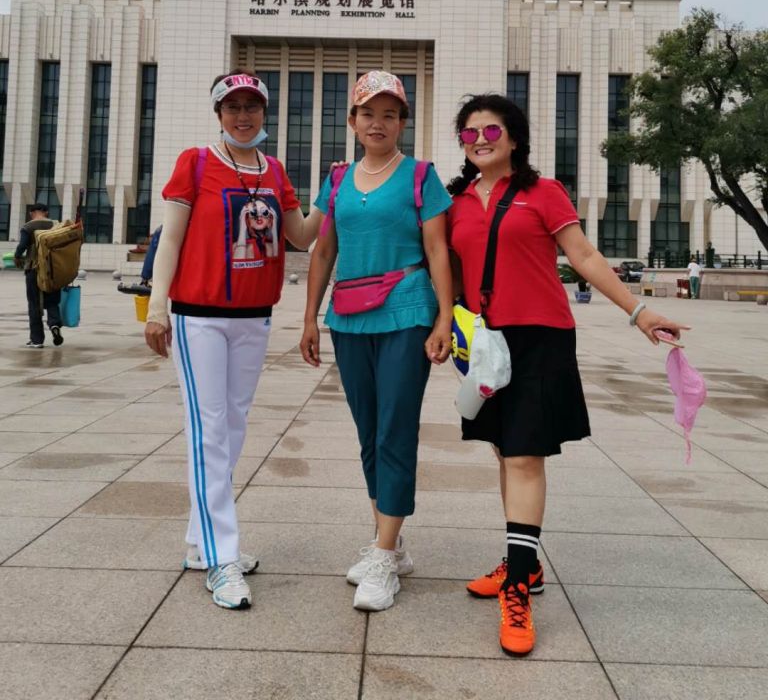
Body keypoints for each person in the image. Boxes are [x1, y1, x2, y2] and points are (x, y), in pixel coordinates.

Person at [446, 94, 688, 657]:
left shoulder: (543, 192)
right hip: (485, 342)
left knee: (525, 456)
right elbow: (449, 267)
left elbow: (584, 256)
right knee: (504, 451)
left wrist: (638, 311)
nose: (480, 140)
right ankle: (524, 563)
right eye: (470, 133)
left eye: (491, 131)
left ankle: (517, 588)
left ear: (514, 138)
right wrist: (441, 326)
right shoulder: (455, 201)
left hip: (540, 338)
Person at [144, 70, 324, 611]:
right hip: (199, 318)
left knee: (234, 427)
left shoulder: (273, 170)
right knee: (209, 431)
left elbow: (300, 235)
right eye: (232, 107)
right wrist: (157, 308)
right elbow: (170, 240)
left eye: (252, 106)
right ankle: (222, 557)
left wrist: (332, 193)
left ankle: (201, 542)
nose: (243, 116)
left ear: (264, 112)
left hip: (253, 317)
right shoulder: (196, 163)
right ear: (219, 113)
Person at [300, 71, 454, 613]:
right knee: (368, 432)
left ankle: (384, 555)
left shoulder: (420, 176)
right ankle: (390, 542)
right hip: (348, 318)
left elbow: (437, 250)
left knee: (394, 429)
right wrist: (309, 318)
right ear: (352, 121)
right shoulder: (338, 179)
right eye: (368, 113)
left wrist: (443, 318)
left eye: (390, 114)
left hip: (407, 313)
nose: (378, 123)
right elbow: (323, 250)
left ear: (402, 123)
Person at [14, 202, 64, 348]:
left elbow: (22, 245)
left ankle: (37, 340)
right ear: (46, 212)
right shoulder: (56, 225)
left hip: (34, 269)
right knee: (52, 301)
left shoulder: (28, 227)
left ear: (32, 213)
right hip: (53, 270)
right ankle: (54, 325)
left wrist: (17, 256)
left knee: (34, 303)